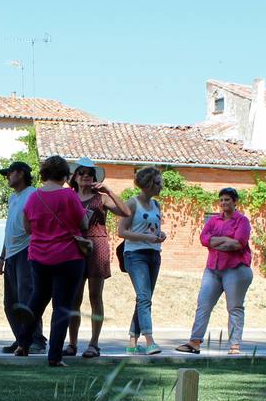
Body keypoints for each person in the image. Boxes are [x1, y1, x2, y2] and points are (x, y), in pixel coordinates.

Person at [15, 156, 88, 366]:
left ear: (44, 174)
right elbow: (83, 223)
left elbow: (27, 228)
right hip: (68, 257)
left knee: (37, 300)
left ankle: (22, 343)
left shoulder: (33, 197)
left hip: (39, 257)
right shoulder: (69, 195)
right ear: (65, 176)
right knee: (62, 306)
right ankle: (55, 356)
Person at [66, 157, 129, 358]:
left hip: (97, 246)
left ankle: (94, 343)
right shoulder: (69, 196)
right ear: (75, 176)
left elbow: (126, 212)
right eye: (81, 172)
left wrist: (109, 191)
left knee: (95, 296)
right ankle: (72, 343)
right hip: (74, 246)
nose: (85, 176)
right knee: (74, 298)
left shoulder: (101, 198)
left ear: (94, 178)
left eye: (89, 173)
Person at [177, 187, 253, 355]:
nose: (223, 203)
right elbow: (204, 239)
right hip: (213, 268)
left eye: (227, 199)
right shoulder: (213, 220)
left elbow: (238, 243)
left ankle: (234, 345)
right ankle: (194, 342)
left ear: (235, 201)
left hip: (235, 269)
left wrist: (215, 242)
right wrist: (225, 239)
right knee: (203, 305)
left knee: (234, 307)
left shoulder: (242, 221)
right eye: (221, 200)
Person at [0, 160, 45, 355]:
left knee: (27, 299)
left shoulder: (33, 194)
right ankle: (21, 339)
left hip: (27, 251)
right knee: (10, 302)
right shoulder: (12, 198)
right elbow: (9, 228)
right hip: (11, 254)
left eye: (10, 173)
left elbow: (39, 224)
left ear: (21, 173)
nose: (7, 177)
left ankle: (37, 340)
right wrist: (2, 256)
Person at [117, 167, 167, 354]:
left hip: (154, 254)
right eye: (158, 182)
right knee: (144, 298)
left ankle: (132, 343)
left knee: (143, 299)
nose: (161, 186)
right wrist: (145, 238)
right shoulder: (132, 203)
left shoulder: (156, 205)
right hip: (135, 255)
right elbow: (122, 231)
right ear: (148, 184)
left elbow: (153, 229)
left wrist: (160, 235)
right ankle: (150, 341)